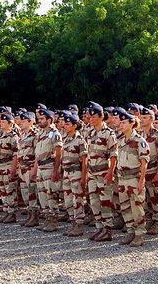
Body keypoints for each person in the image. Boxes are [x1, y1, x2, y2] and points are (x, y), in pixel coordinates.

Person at [116, 110, 150, 246]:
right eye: (121, 122)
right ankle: (130, 231)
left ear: (131, 124)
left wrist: (141, 181)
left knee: (137, 207)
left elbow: (144, 163)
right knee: (125, 207)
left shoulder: (140, 141)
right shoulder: (121, 140)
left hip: (134, 178)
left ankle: (139, 234)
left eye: (124, 122)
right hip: (122, 178)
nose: (121, 125)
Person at [85, 102, 118, 241]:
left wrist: (111, 172)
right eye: (90, 117)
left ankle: (108, 229)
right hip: (92, 173)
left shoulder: (108, 133)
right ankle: (100, 228)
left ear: (101, 116)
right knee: (94, 201)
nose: (91, 119)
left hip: (104, 172)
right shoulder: (91, 132)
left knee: (105, 202)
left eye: (93, 117)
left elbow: (114, 154)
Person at [32, 109, 63, 232]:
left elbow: (59, 153)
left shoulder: (55, 133)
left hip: (49, 167)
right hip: (40, 167)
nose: (39, 121)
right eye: (39, 119)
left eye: (42, 119)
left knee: (51, 195)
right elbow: (37, 154)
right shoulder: (40, 133)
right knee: (42, 195)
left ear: (49, 120)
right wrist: (35, 169)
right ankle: (47, 219)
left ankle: (53, 221)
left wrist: (56, 170)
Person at [139, 106, 158, 235]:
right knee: (144, 199)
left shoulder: (157, 135)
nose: (142, 120)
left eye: (145, 118)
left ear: (151, 119)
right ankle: (148, 220)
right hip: (141, 173)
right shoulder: (138, 134)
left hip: (153, 171)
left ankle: (157, 223)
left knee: (155, 198)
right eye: (141, 117)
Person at [61, 113, 88, 237]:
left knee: (77, 200)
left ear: (74, 126)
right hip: (67, 172)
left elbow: (84, 160)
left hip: (76, 172)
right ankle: (73, 222)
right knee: (68, 200)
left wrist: (83, 177)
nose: (65, 126)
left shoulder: (80, 140)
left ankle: (79, 225)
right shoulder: (65, 139)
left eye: (68, 124)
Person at [0, 112, 20, 223]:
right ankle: (6, 211)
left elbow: (16, 154)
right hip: (0, 165)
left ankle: (12, 212)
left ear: (10, 124)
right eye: (1, 121)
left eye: (4, 122)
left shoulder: (13, 136)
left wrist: (13, 169)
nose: (1, 123)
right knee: (3, 190)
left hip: (8, 165)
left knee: (10, 190)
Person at [17, 111, 40, 227]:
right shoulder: (23, 134)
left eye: (24, 120)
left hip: (30, 167)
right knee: (25, 193)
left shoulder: (35, 134)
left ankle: (34, 216)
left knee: (32, 193)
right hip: (22, 167)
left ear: (31, 121)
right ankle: (30, 214)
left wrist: (35, 170)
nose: (21, 122)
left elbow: (37, 154)